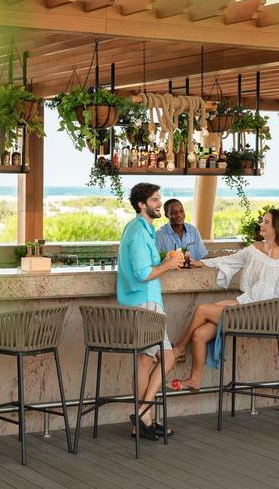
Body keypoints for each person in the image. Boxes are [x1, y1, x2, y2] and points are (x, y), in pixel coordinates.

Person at [170, 209, 279, 391]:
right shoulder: (256, 248)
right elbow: (231, 260)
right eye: (262, 221)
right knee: (199, 335)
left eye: (267, 222)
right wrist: (202, 263)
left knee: (202, 310)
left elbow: (263, 296)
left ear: (277, 227)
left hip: (260, 313)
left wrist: (234, 302)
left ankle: (180, 348)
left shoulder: (277, 253)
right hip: (246, 308)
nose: (261, 224)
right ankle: (194, 380)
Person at [117, 182, 183, 439]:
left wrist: (167, 262)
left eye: (159, 199)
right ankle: (143, 419)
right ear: (142, 205)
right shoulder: (137, 232)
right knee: (145, 360)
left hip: (150, 303)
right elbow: (143, 273)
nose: (159, 204)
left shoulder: (143, 230)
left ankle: (143, 414)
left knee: (166, 357)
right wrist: (168, 264)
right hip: (143, 304)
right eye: (155, 200)